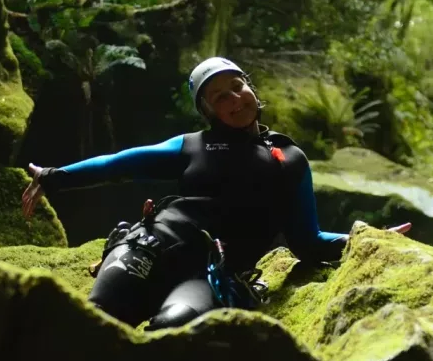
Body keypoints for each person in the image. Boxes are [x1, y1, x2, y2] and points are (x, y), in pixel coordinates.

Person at [21, 57, 410, 330]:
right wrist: (55, 177)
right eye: (220, 97)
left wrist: (365, 240)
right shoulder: (193, 145)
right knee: (95, 320)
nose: (234, 99)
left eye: (237, 87)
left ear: (251, 88)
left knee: (172, 329)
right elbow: (120, 164)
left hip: (210, 274)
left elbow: (308, 241)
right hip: (151, 246)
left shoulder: (288, 159)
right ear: (208, 111)